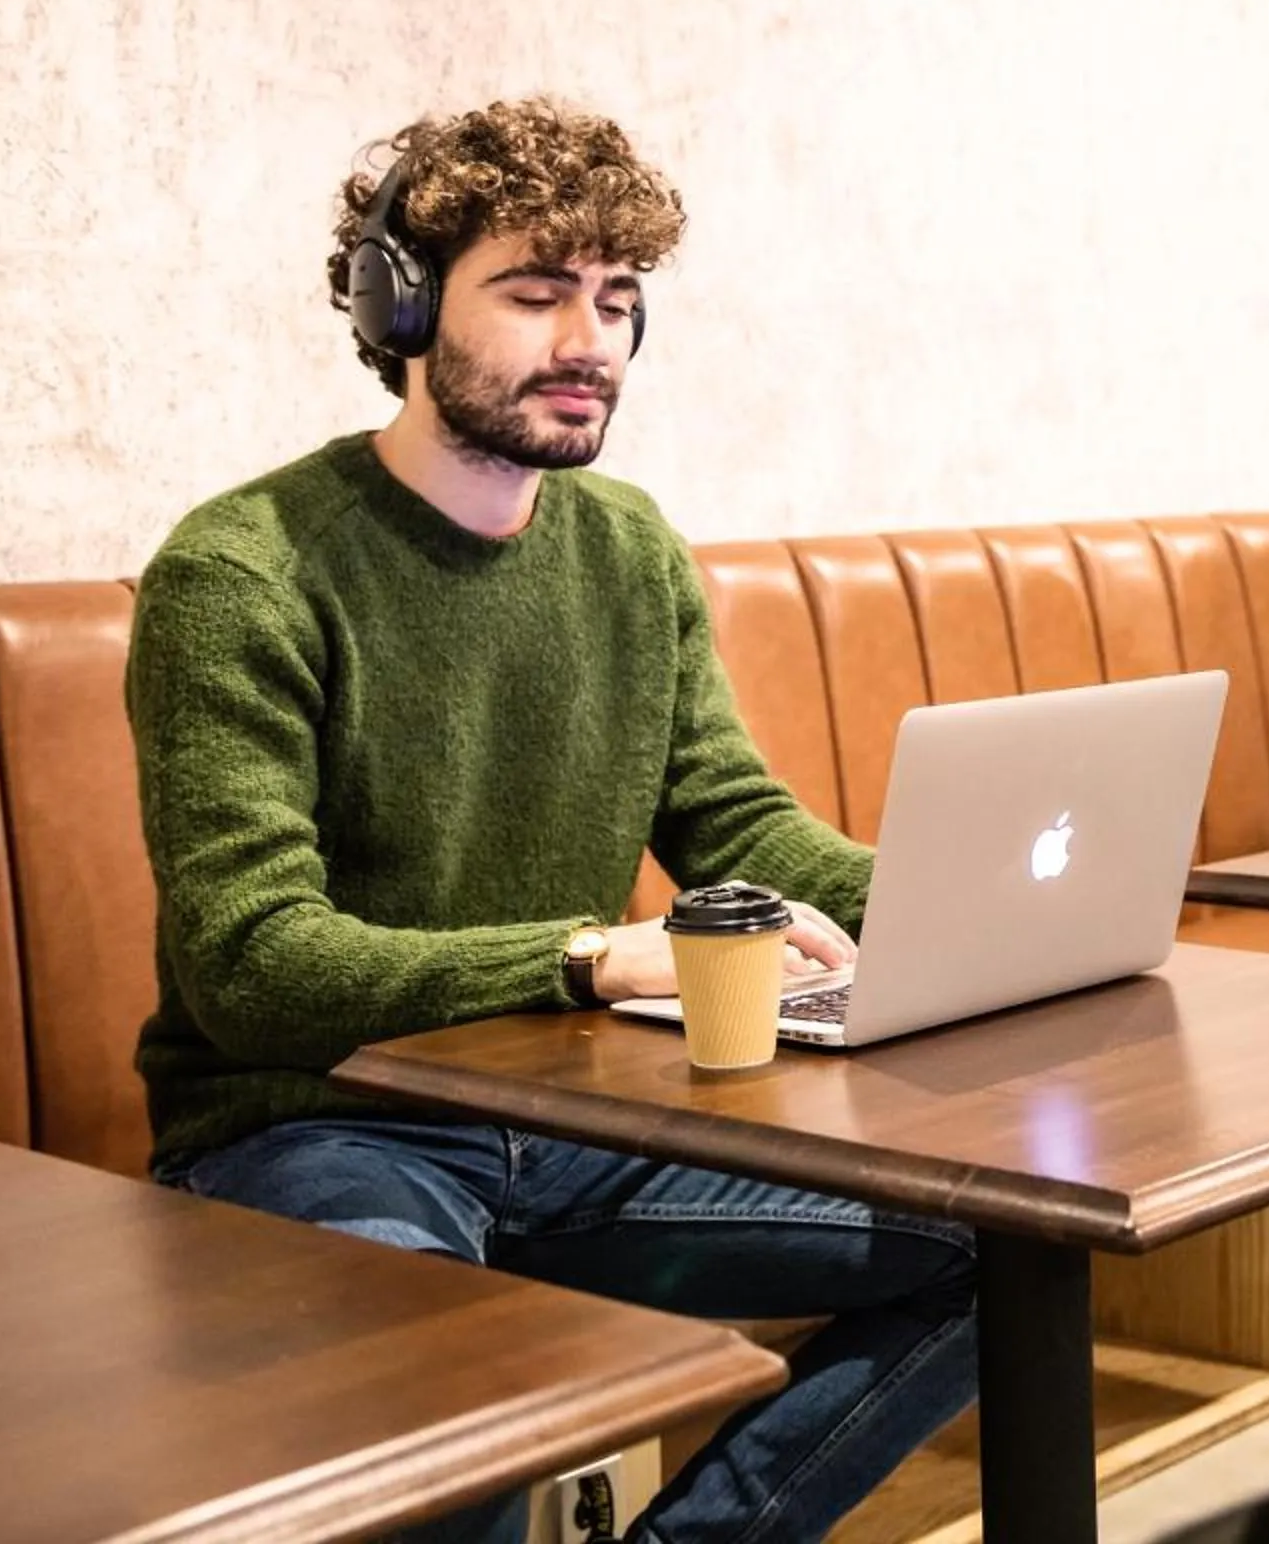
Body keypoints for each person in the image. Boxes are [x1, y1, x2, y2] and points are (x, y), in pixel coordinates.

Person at [126, 99, 977, 1544]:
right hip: (316, 1128)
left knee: (1005, 1250)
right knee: (472, 1399)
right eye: (535, 292)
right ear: (401, 306)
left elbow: (737, 825)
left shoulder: (628, 550)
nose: (589, 340)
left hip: (571, 1118)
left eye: (617, 300)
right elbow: (254, 967)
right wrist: (593, 961)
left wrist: (961, 902)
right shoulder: (242, 572)